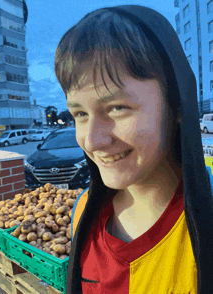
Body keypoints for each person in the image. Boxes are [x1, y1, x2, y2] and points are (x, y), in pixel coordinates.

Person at [54, 5, 213, 294]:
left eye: (116, 108)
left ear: (177, 103)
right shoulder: (84, 212)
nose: (92, 141)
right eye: (80, 114)